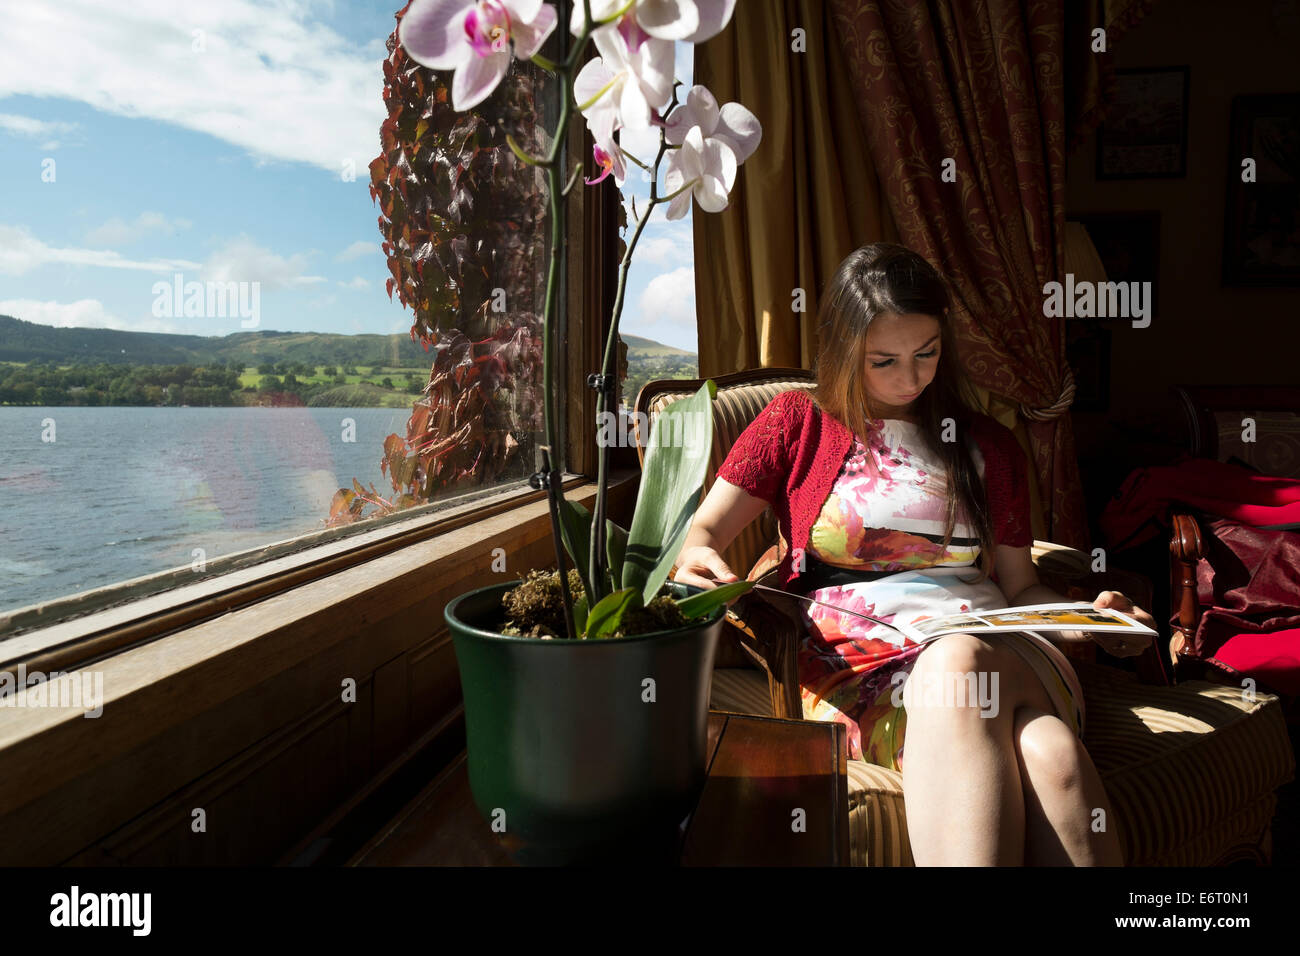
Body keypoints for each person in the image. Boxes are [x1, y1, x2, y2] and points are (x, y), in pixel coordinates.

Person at [672, 242, 1156, 866]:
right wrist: (699, 561)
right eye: (885, 361)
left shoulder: (989, 445)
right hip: (859, 670)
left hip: (1004, 654)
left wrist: (1086, 619)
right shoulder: (796, 421)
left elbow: (1019, 587)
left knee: (958, 660)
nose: (910, 379)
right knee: (1051, 756)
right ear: (843, 347)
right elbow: (703, 533)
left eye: (926, 353)